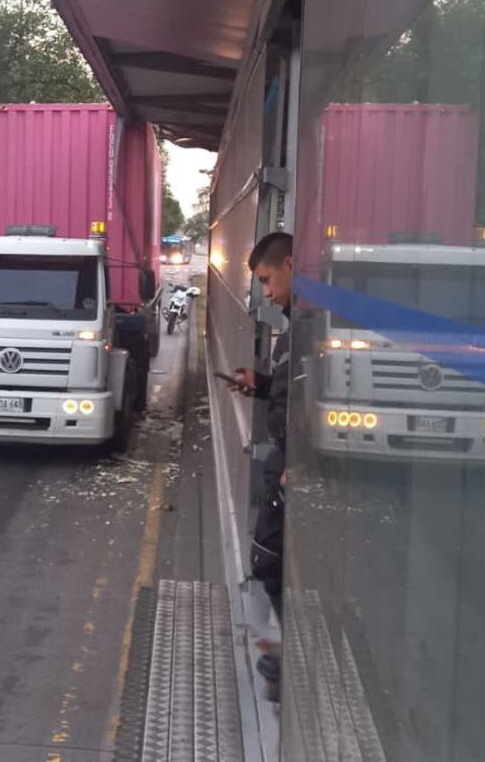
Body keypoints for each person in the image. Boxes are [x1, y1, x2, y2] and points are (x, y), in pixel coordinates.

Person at [227, 231, 292, 700]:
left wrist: (296, 463)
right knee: (274, 559)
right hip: (287, 462)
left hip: (290, 467)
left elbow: (311, 402)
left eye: (268, 280)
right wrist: (264, 384)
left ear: (291, 265)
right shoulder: (297, 326)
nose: (266, 293)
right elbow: (295, 392)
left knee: (267, 561)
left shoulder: (311, 325)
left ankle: (293, 655)